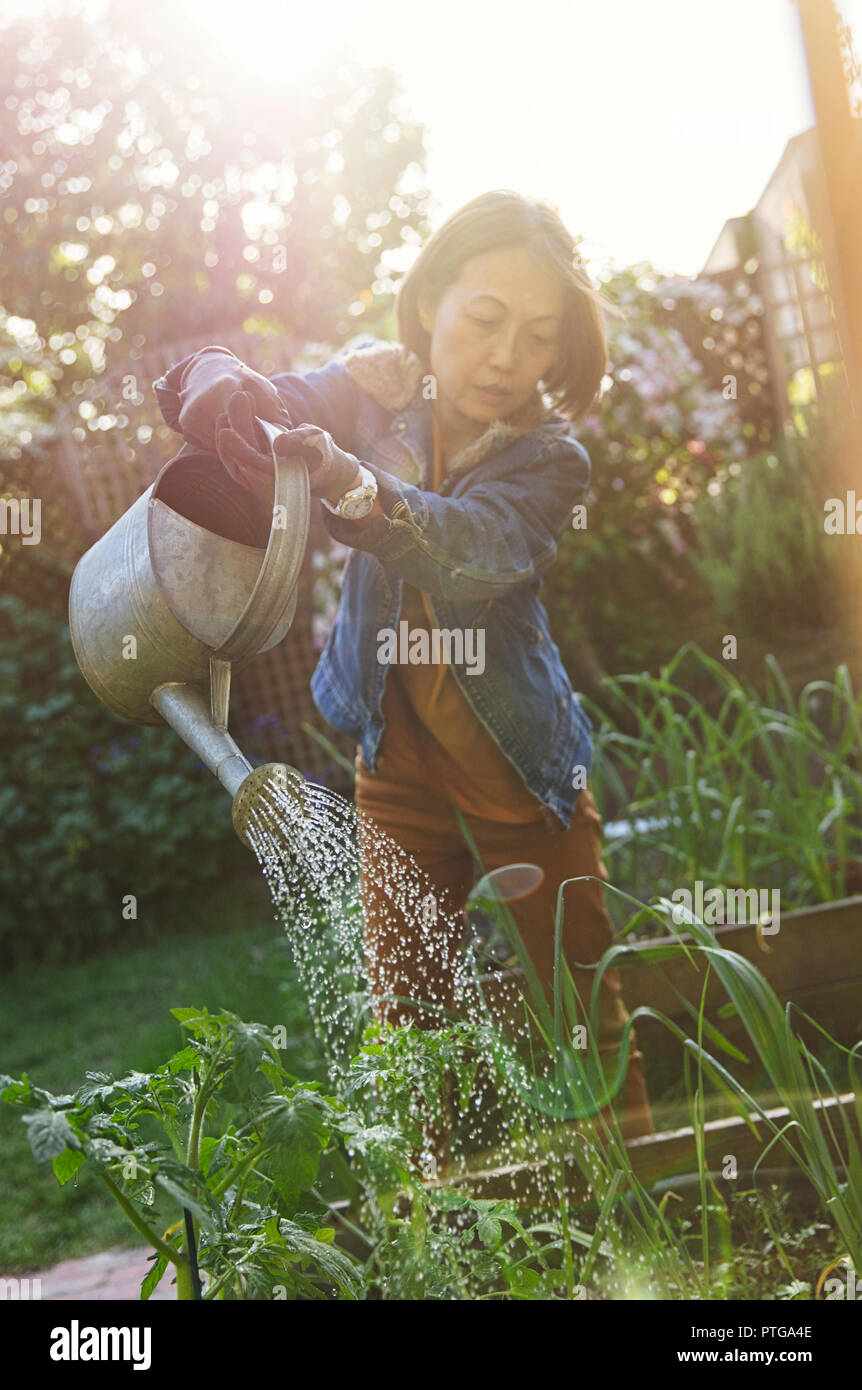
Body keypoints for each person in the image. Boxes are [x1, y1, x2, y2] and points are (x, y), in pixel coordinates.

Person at [152, 189, 654, 1162]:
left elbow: (475, 549)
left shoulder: (552, 460)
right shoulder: (374, 391)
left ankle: (646, 1203)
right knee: (411, 1022)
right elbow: (276, 400)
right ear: (430, 303)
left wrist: (354, 482)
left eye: (539, 336)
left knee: (582, 1002)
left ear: (561, 351)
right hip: (398, 764)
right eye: (484, 320)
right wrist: (217, 382)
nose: (507, 356)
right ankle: (446, 1221)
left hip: (517, 767)